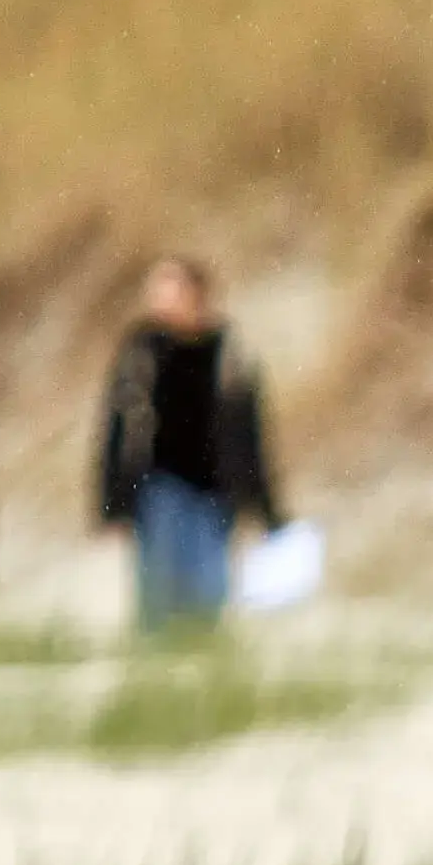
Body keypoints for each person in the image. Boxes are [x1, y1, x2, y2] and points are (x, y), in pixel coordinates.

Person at [93, 255, 278, 631]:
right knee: (158, 600)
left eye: (170, 289)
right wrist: (112, 504)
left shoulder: (228, 351)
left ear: (198, 293)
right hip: (159, 490)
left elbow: (249, 435)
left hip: (215, 493)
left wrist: (264, 505)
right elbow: (117, 429)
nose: (159, 299)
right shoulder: (142, 350)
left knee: (211, 597)